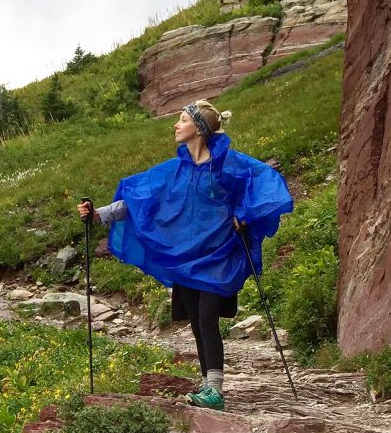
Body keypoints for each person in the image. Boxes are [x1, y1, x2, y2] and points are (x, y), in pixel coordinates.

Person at [77, 100, 292, 411]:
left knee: (207, 317)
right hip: (188, 260)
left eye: (182, 120)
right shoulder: (174, 170)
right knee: (195, 319)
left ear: (199, 129)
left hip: (221, 256)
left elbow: (268, 184)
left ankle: (215, 391)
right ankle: (208, 384)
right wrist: (98, 215)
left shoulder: (229, 164)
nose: (176, 126)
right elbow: (139, 200)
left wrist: (244, 214)